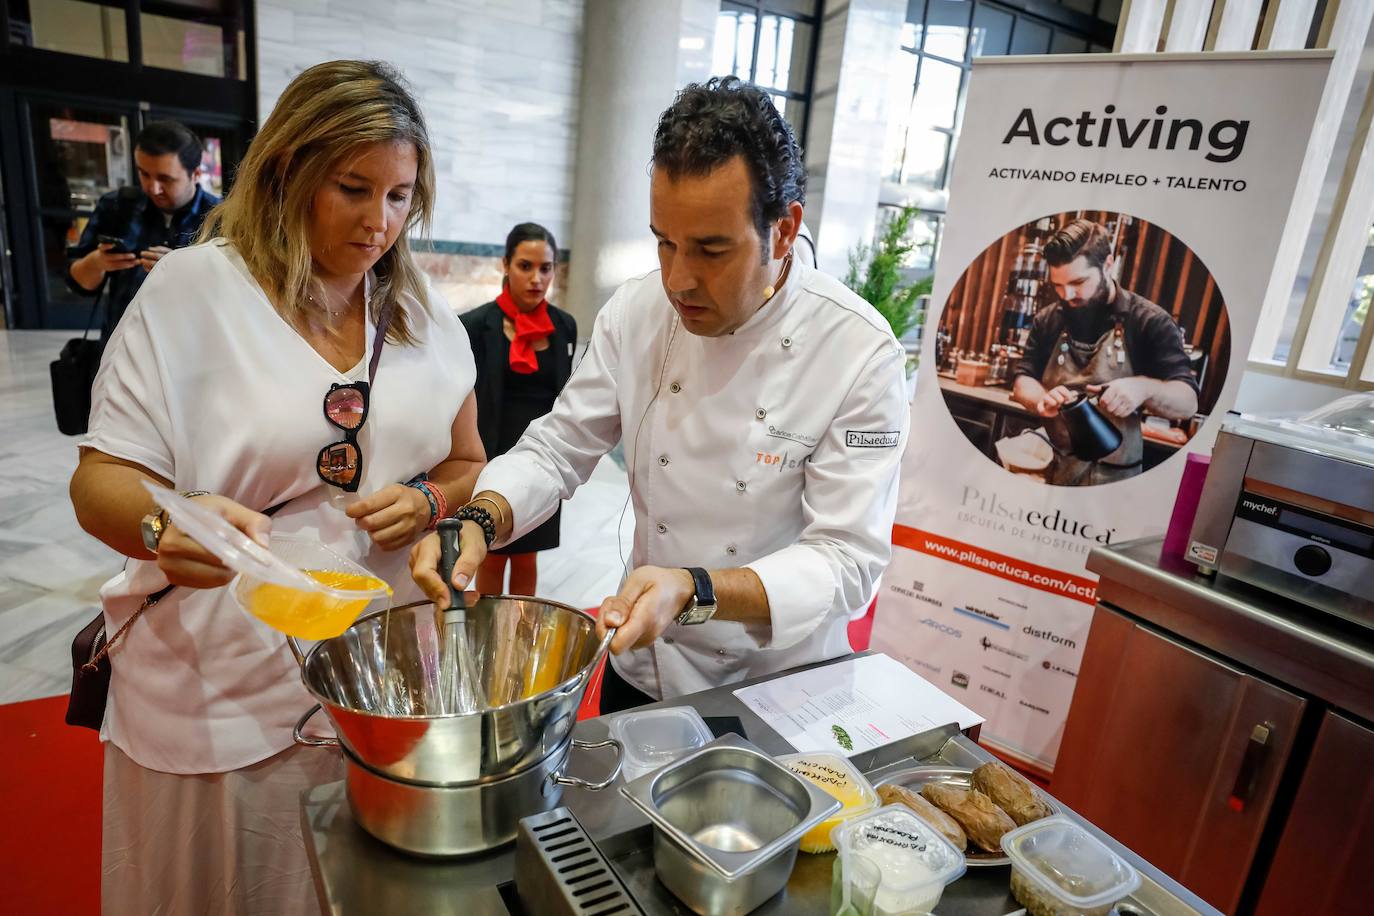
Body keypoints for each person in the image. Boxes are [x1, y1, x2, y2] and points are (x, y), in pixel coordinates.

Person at [68, 61, 484, 915]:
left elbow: (467, 461)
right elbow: (100, 477)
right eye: (354, 188)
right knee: (223, 885)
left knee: (349, 886)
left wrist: (433, 503)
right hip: (215, 670)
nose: (379, 223)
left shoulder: (426, 317)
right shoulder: (196, 290)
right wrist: (162, 526)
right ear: (288, 168)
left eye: (401, 196)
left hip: (376, 672)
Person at [412, 77, 909, 713]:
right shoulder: (638, 310)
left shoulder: (857, 350)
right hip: (644, 663)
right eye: (664, 241)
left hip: (774, 688)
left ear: (784, 231)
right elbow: (558, 447)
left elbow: (847, 560)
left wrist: (696, 588)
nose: (678, 279)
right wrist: (477, 521)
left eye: (711, 250)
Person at [1010, 219, 1199, 486]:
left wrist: (1143, 388)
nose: (1068, 295)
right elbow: (1022, 380)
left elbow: (1188, 402)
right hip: (1053, 469)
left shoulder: (1147, 320)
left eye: (1079, 282)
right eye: (1058, 286)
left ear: (1108, 265)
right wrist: (1042, 399)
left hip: (1114, 481)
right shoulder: (1049, 319)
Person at [460, 223, 577, 596]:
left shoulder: (564, 326)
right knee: (492, 552)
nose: (536, 278)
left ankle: (524, 629)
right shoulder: (475, 326)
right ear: (506, 265)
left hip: (543, 453)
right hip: (492, 449)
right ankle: (490, 630)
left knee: (529, 555)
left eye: (546, 268)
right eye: (525, 266)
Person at [67, 120, 220, 341]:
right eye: (144, 174)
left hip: (191, 349)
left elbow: (235, 297)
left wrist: (182, 269)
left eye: (166, 179)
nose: (153, 188)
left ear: (196, 174)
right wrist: (97, 262)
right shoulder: (117, 206)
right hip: (121, 347)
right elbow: (78, 283)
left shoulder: (221, 217)